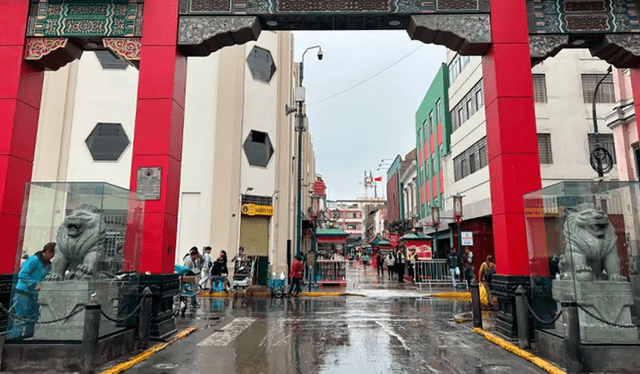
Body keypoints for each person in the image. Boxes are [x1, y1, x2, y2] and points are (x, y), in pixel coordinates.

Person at [8, 242, 55, 339]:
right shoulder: (33, 260)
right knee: (20, 319)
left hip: (34, 295)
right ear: (48, 252)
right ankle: (15, 339)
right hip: (23, 293)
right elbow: (22, 274)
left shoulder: (48, 265)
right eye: (53, 254)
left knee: (32, 319)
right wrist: (34, 285)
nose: (52, 257)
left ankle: (28, 338)